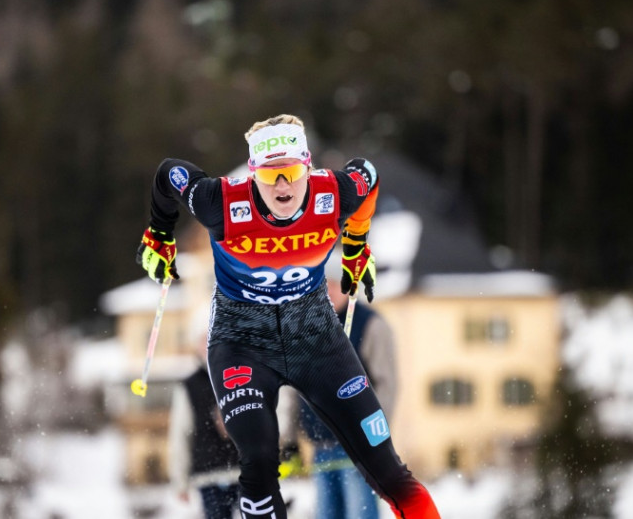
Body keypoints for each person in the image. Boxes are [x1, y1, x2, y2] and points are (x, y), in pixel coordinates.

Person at [136, 113, 441, 519]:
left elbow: (367, 173)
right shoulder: (221, 202)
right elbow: (168, 173)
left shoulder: (334, 193)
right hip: (242, 343)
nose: (283, 185)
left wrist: (356, 243)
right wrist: (159, 233)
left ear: (308, 168)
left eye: (293, 172)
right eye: (270, 175)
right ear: (253, 174)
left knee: (387, 467)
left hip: (315, 339)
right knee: (260, 463)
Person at [297, 265, 397, 519]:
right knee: (327, 514)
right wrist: (288, 436)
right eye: (321, 286)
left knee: (359, 513)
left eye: (333, 285)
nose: (327, 292)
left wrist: (375, 435)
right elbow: (294, 383)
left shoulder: (371, 325)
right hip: (321, 443)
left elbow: (387, 384)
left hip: (358, 445)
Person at [168, 318, 242, 519]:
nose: (208, 345)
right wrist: (180, 480)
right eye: (203, 339)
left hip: (244, 470)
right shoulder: (189, 386)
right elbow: (180, 433)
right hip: (208, 474)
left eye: (212, 337)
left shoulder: (241, 375)